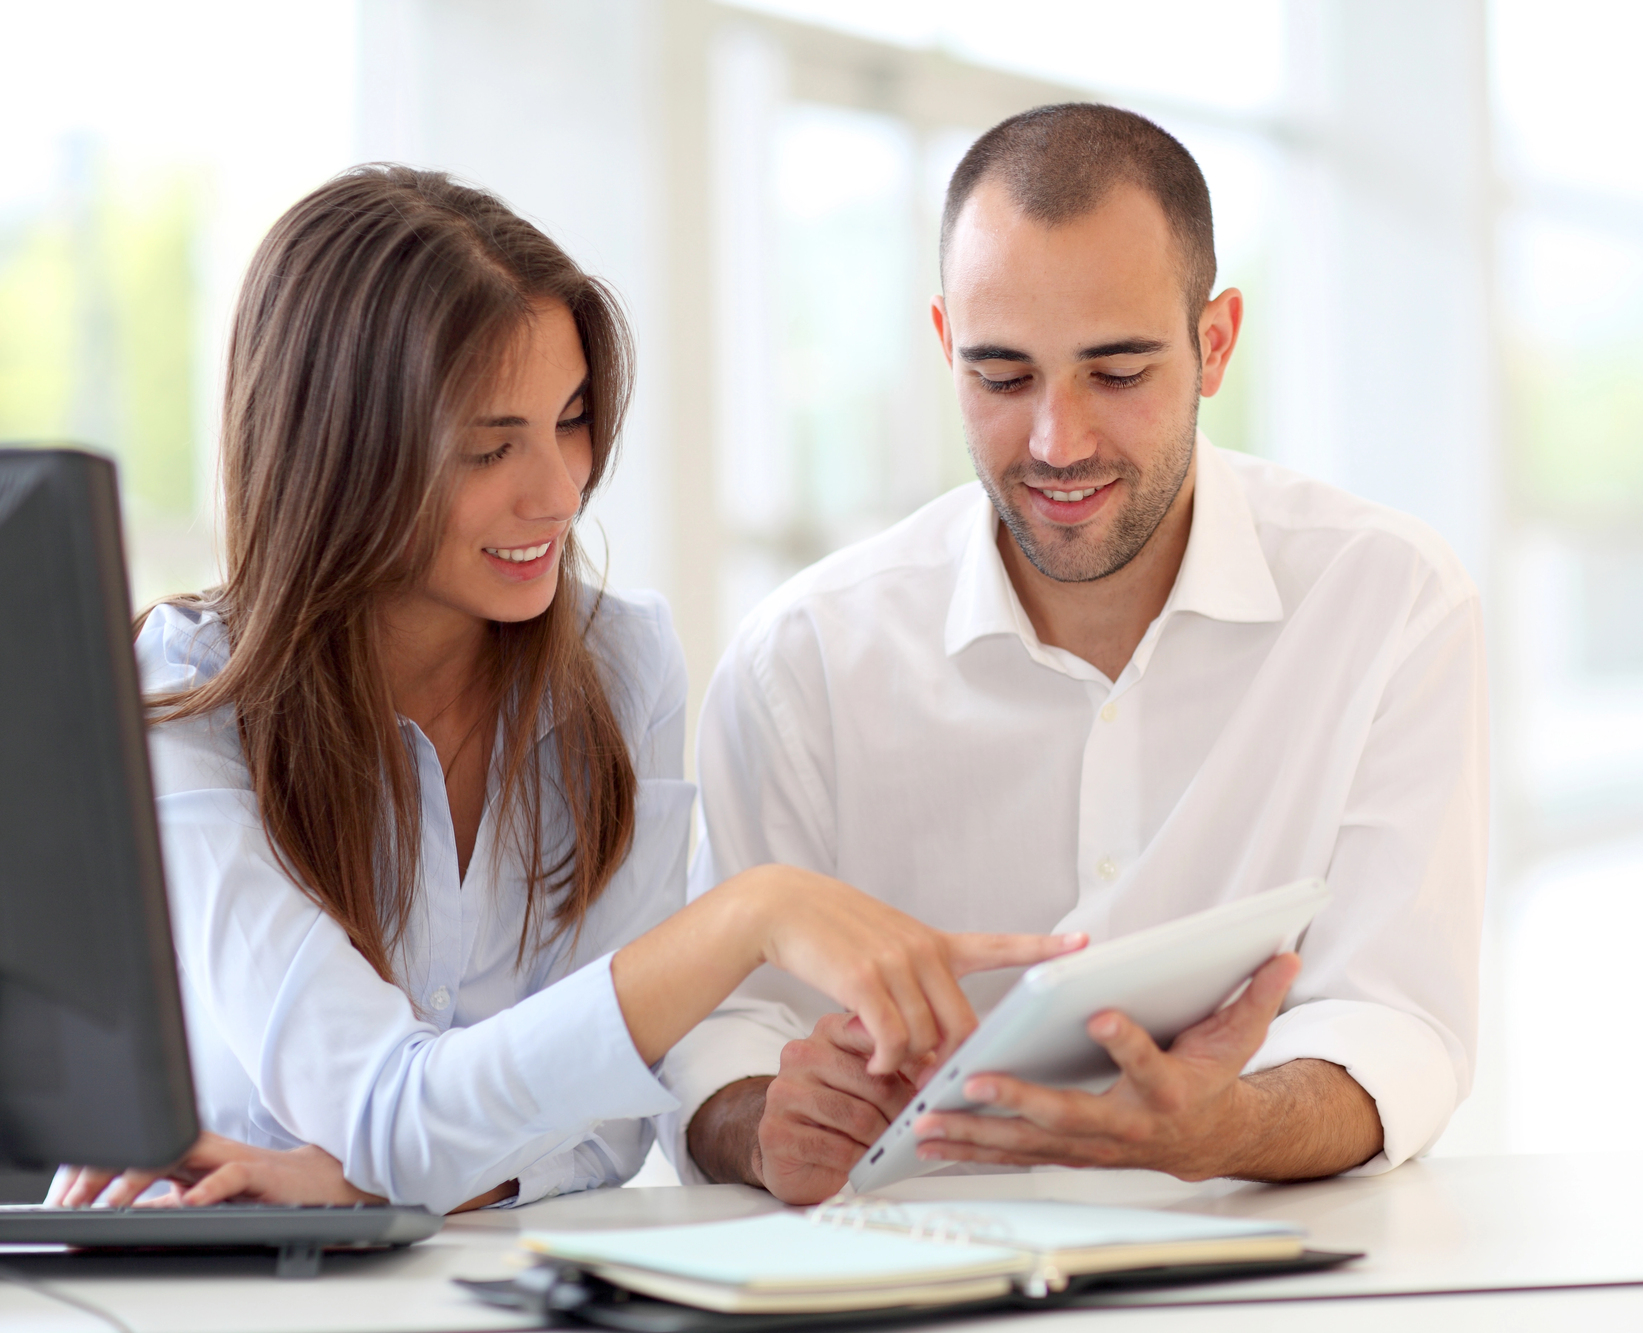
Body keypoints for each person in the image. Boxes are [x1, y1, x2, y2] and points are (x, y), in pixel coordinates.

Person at [46, 166, 1075, 1214]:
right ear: (339, 454)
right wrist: (749, 915)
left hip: (486, 1274)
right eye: (489, 446)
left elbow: (608, 1122)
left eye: (572, 419)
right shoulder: (188, 697)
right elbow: (394, 1112)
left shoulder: (621, 665)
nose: (557, 491)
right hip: (216, 1282)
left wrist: (363, 1184)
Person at [673, 104, 1487, 1204]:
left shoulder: (1384, 600)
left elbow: (1397, 1019)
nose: (1058, 443)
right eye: (1002, 378)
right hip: (909, 1265)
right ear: (945, 345)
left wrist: (1224, 1125)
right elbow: (717, 1030)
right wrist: (761, 1126)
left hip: (1250, 1254)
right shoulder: (803, 660)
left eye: (1117, 373)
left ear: (1214, 342)